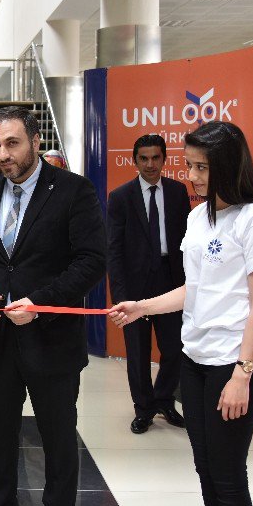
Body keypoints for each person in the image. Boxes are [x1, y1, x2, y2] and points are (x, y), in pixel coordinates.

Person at [109, 121, 253, 506]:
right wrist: (142, 307)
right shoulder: (198, 216)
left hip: (234, 363)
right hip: (196, 359)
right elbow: (194, 289)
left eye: (202, 167)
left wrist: (242, 374)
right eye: (190, 165)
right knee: (206, 470)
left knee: (227, 476)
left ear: (228, 165)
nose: (193, 176)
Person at [0, 107, 106, 506]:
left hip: (51, 341)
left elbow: (91, 262)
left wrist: (42, 304)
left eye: (12, 143)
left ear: (36, 141)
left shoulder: (73, 191)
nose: (3, 155)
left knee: (58, 440)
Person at [107, 134, 190, 434]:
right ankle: (143, 409)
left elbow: (187, 242)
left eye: (156, 157)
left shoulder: (179, 192)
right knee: (138, 353)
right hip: (134, 287)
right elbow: (113, 250)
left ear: (164, 159)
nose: (150, 164)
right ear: (135, 160)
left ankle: (164, 399)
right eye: (144, 158)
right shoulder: (120, 197)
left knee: (175, 348)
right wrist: (119, 295)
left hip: (171, 282)